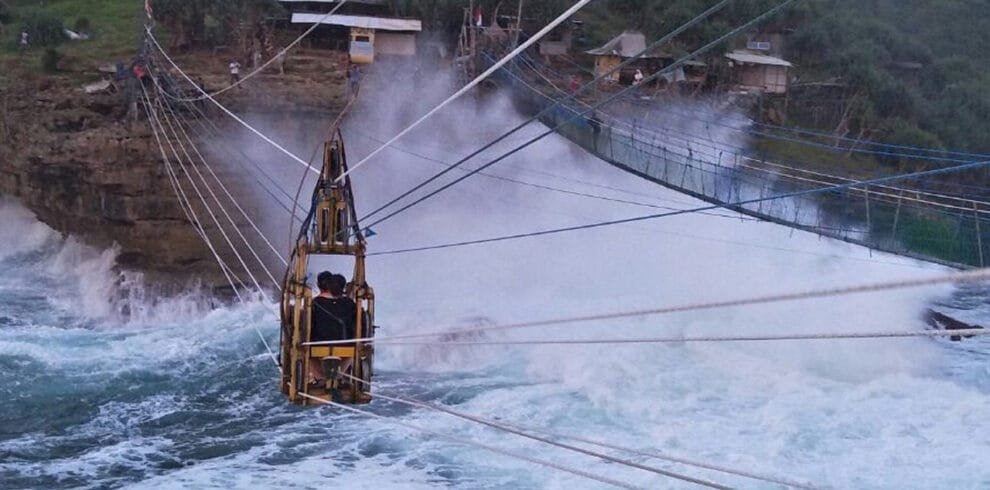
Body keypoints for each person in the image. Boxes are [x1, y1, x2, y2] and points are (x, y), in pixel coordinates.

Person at [309, 271, 357, 385]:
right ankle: (339, 376)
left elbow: (309, 325)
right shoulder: (350, 303)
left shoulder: (315, 303)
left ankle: (320, 378)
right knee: (352, 351)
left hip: (319, 344)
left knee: (306, 352)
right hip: (345, 343)